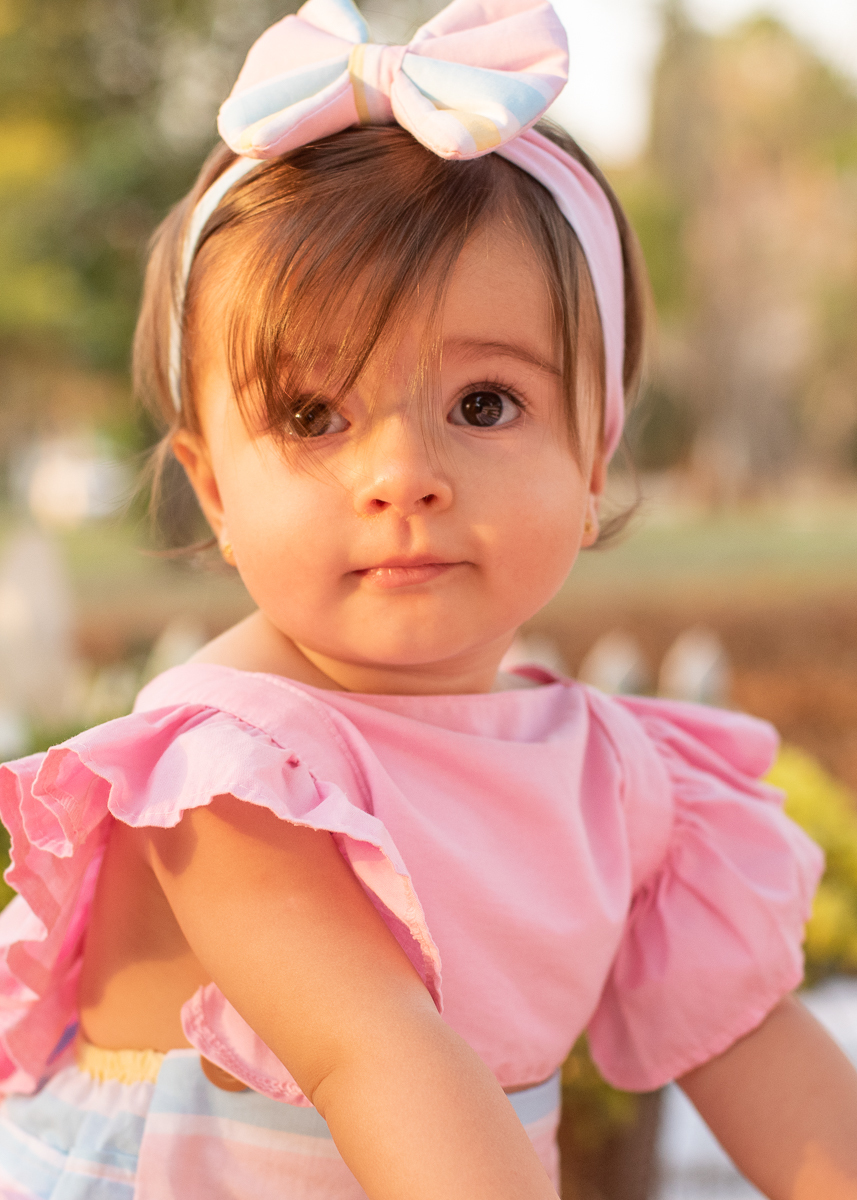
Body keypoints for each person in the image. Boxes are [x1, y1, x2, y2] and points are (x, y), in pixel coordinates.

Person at [0, 0, 856, 1196]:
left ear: (594, 454)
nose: (402, 477)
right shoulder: (227, 774)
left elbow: (762, 1063)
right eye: (313, 416)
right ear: (213, 493)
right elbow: (380, 1056)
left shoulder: (614, 775)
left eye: (484, 404)